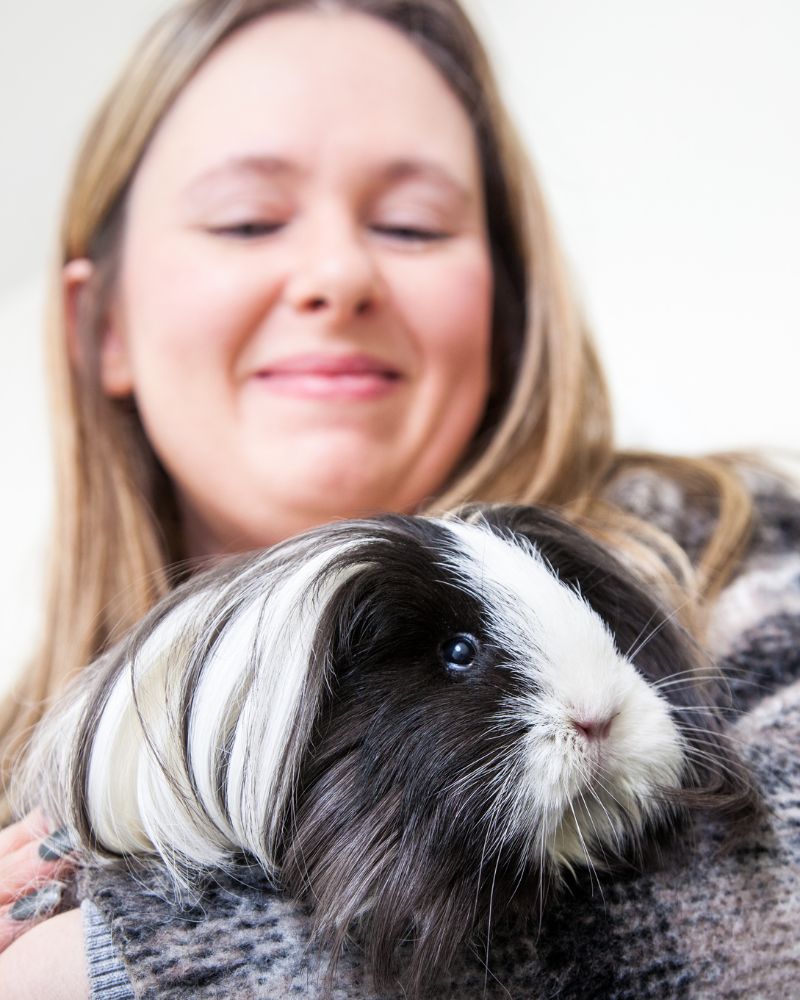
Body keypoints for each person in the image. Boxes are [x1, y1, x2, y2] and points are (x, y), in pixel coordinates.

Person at [0, 0, 796, 997]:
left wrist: (139, 966)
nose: (337, 276)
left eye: (411, 225)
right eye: (246, 219)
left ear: (505, 306)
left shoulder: (728, 556)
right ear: (99, 325)